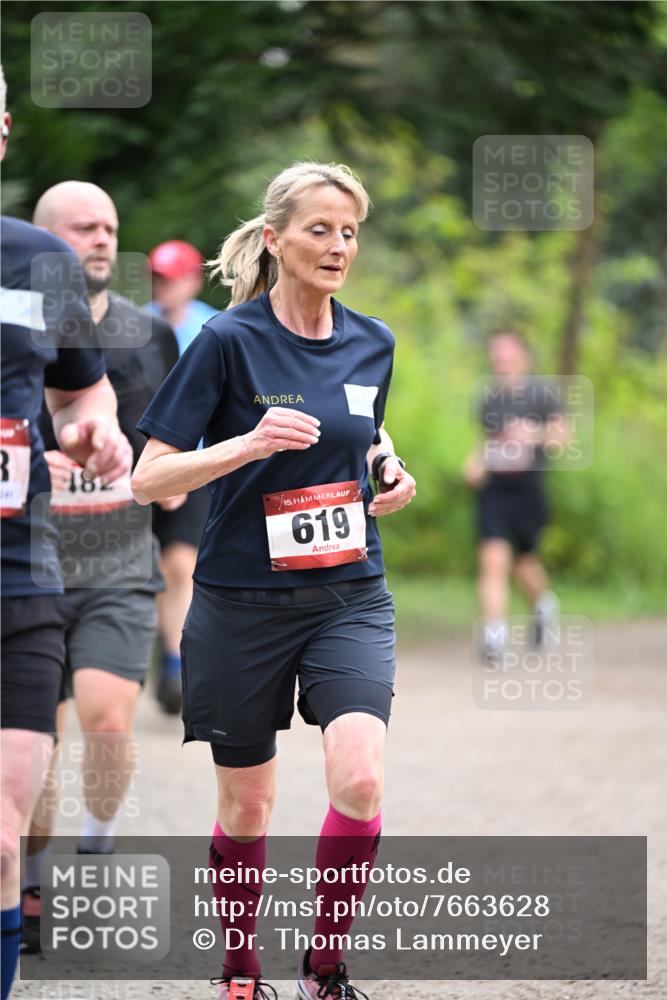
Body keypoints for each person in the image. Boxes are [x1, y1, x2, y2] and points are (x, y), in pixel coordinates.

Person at [132, 162, 416, 1000]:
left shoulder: (374, 339)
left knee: (360, 776)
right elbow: (152, 480)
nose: (338, 246)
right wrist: (247, 445)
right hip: (239, 601)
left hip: (347, 592)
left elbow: (362, 421)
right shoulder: (227, 341)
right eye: (320, 229)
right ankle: (239, 967)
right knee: (247, 809)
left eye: (350, 231)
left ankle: (325, 967)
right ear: (275, 239)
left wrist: (388, 465)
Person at [18, 181, 184, 953]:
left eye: (111, 227)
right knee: (35, 742)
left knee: (108, 716)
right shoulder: (20, 314)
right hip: (36, 563)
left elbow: (183, 434)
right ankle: (31, 873)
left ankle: (97, 845)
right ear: (48, 239)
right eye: (84, 228)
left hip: (121, 561)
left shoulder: (150, 335)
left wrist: (184, 525)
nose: (103, 240)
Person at [0, 66, 131, 1000]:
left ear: (2, 130)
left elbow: (81, 382)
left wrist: (95, 425)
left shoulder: (38, 262)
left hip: (17, 574)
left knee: (2, 831)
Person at [463, 331, 568, 660]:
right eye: (497, 356)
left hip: (528, 488)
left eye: (508, 356)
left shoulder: (543, 393)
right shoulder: (489, 398)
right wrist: (476, 461)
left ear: (524, 357)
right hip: (494, 488)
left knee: (525, 564)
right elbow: (491, 441)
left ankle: (542, 604)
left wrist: (533, 433)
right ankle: (494, 638)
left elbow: (562, 439)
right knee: (492, 559)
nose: (502, 362)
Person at [146, 240, 218, 713]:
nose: (164, 287)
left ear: (193, 280)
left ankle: (176, 664)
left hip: (194, 465)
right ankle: (165, 643)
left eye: (173, 278)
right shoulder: (133, 325)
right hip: (141, 465)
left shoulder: (213, 328)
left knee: (179, 564)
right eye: (158, 277)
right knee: (149, 569)